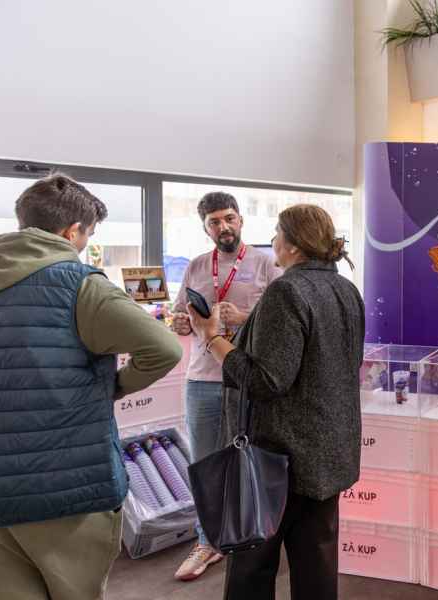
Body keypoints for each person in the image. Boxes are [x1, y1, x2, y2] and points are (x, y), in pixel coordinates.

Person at [0, 174, 182, 600]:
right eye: (88, 235)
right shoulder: (79, 285)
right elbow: (163, 348)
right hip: (68, 489)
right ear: (72, 232)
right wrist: (114, 387)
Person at [187, 204, 364, 600]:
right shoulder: (345, 289)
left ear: (293, 245)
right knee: (317, 566)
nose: (272, 241)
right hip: (329, 452)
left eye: (277, 234)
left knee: (251, 567)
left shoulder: (287, 290)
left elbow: (265, 380)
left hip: (279, 459)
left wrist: (212, 338)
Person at [168, 191, 279, 581]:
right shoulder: (197, 266)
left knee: (252, 461)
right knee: (204, 464)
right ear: (206, 228)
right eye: (214, 222)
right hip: (202, 378)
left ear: (241, 220)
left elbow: (281, 320)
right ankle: (207, 541)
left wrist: (244, 316)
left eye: (229, 218)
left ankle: (254, 535)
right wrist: (180, 322)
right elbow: (179, 313)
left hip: (247, 377)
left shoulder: (267, 263)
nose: (224, 227)